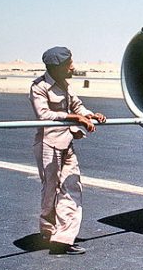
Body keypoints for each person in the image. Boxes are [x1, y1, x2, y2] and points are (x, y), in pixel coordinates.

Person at [29, 46, 106, 255]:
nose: (73, 67)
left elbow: (77, 106)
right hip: (48, 144)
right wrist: (76, 118)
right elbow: (44, 114)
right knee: (50, 190)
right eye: (69, 64)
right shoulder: (39, 87)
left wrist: (91, 115)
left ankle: (63, 240)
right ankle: (48, 230)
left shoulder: (65, 85)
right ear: (57, 67)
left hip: (67, 142)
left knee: (73, 186)